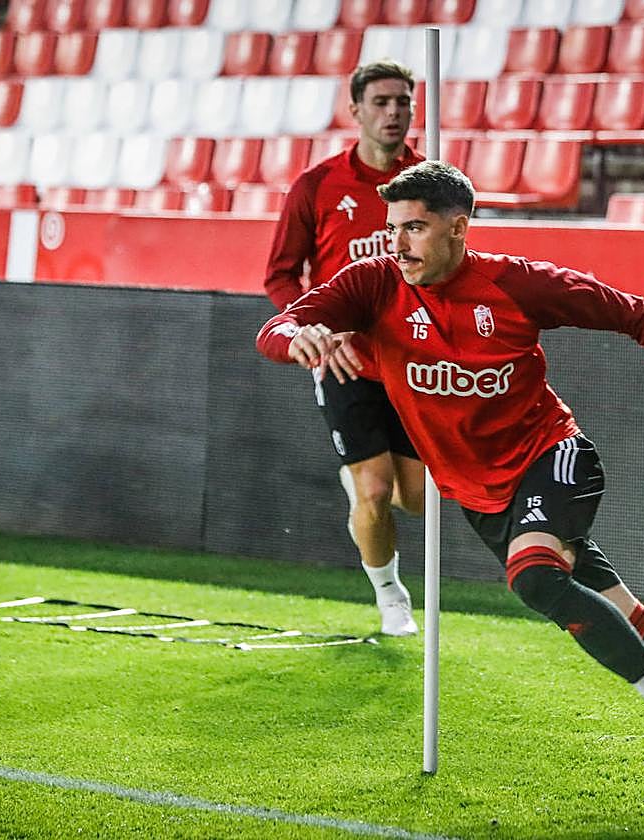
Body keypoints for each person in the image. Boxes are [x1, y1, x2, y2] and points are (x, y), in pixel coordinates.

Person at [256, 160, 644, 793]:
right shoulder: (374, 283)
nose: (398, 244)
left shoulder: (517, 284)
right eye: (392, 228)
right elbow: (275, 327)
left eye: (415, 228)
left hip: (553, 457)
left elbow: (639, 316)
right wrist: (299, 335)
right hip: (481, 497)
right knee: (638, 627)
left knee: (532, 578)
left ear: (458, 227)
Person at [262, 60, 426, 636]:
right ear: (355, 110)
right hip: (343, 362)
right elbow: (281, 276)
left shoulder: (428, 181)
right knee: (376, 490)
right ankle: (391, 599)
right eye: (381, 102)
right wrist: (316, 330)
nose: (393, 113)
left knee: (418, 500)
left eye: (403, 102)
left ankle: (363, 496)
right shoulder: (317, 185)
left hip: (411, 359)